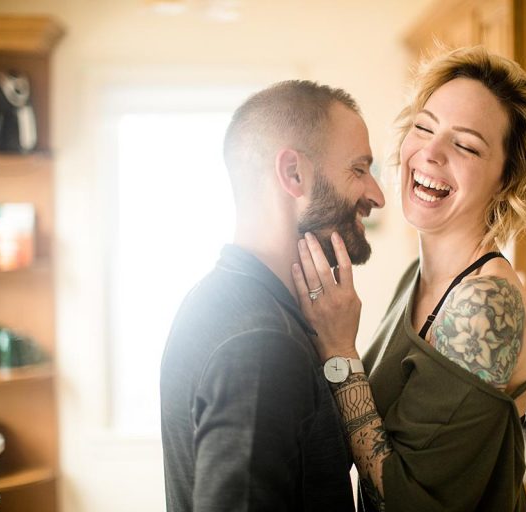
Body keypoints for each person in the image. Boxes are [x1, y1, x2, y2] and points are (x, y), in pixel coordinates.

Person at [292, 45, 526, 511]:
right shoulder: (417, 277)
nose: (431, 153)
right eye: (424, 127)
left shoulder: (486, 302)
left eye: (466, 145)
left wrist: (339, 352)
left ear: (506, 179)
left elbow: (407, 501)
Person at [160, 80, 385, 512]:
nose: (375, 194)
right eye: (359, 169)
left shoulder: (221, 300)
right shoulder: (261, 343)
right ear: (293, 174)